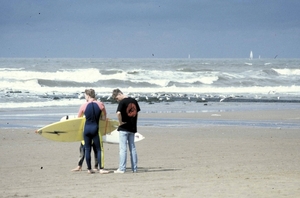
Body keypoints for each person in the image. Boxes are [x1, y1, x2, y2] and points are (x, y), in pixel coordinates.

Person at [78, 88, 109, 174]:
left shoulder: (83, 105)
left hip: (86, 129)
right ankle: (101, 169)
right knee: (99, 149)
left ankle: (89, 169)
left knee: (87, 149)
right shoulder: (100, 104)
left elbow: (79, 119)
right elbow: (104, 118)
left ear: (88, 95)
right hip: (95, 129)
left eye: (85, 95)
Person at [111, 88, 140, 173]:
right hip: (132, 127)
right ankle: (134, 168)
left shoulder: (122, 102)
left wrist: (120, 123)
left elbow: (118, 113)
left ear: (119, 94)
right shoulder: (134, 101)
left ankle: (122, 168)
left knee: (123, 149)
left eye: (116, 98)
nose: (117, 100)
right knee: (132, 148)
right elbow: (136, 113)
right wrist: (135, 124)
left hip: (124, 128)